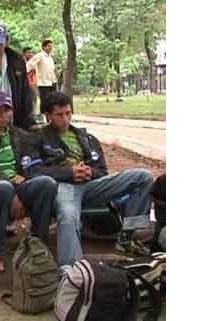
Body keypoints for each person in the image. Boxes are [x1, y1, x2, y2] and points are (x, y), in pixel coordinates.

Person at [36, 92, 153, 271]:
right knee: (68, 214)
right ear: (48, 116)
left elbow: (102, 170)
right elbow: (34, 171)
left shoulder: (85, 137)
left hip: (92, 185)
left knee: (143, 177)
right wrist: (69, 172)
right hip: (64, 187)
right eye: (59, 115)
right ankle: (71, 272)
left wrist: (89, 171)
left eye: (68, 113)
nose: (65, 119)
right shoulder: (39, 138)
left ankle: (127, 237)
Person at [0, 92, 58, 266]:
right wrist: (12, 188)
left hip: (19, 183)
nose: (4, 115)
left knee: (46, 184)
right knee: (3, 188)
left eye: (7, 110)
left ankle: (38, 244)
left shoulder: (20, 134)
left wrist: (25, 178)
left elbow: (32, 161)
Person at [26, 40, 57, 114]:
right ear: (44, 47)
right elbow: (29, 64)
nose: (50, 48)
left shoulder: (50, 58)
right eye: (49, 46)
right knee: (44, 101)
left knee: (51, 102)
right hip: (43, 83)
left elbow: (51, 71)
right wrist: (24, 73)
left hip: (51, 83)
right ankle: (43, 117)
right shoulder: (40, 55)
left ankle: (50, 117)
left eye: (51, 46)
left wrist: (54, 81)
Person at [22, 47, 40, 116]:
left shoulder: (34, 62)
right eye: (28, 52)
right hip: (24, 83)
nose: (30, 54)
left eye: (31, 52)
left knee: (34, 98)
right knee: (26, 99)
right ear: (24, 54)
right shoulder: (21, 62)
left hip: (33, 83)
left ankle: (33, 114)